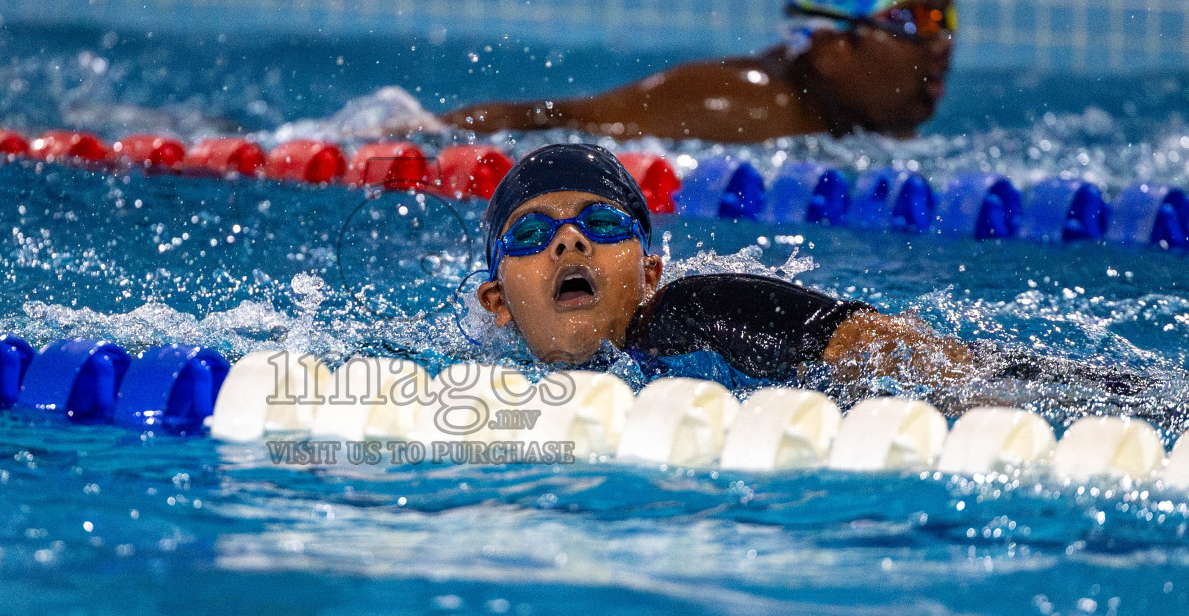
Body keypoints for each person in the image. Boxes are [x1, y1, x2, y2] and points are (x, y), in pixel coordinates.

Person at [472, 145, 1179, 428]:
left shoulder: (698, 310)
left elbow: (888, 350)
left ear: (650, 273)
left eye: (600, 222)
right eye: (532, 235)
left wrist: (980, 403)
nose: (571, 241)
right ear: (496, 303)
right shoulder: (480, 384)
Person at [444, 0, 956, 144]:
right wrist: (420, 137)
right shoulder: (734, 104)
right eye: (916, 19)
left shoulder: (876, 122)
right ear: (830, 47)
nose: (942, 42)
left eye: (946, 16)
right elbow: (551, 118)